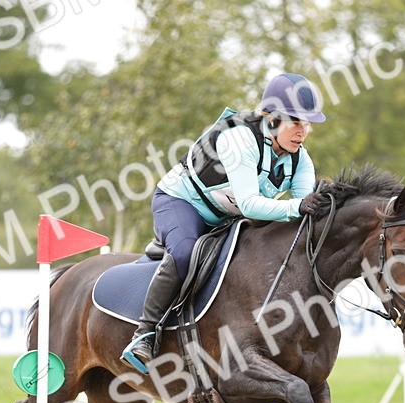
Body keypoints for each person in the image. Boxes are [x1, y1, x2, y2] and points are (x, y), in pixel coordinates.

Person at [120, 72, 327, 373]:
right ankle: (144, 334)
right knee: (184, 253)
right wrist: (298, 206)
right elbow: (251, 205)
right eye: (295, 121)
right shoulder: (240, 139)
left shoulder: (300, 160)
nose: (302, 131)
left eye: (307, 124)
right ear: (272, 119)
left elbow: (303, 212)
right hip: (181, 203)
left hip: (227, 217)